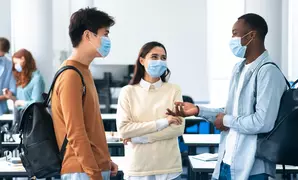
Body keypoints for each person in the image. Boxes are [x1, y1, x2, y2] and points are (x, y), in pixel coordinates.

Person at [167, 13, 287, 180]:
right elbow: (233, 112)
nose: (232, 38)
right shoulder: (239, 68)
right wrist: (198, 110)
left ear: (251, 35)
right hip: (227, 161)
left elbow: (262, 122)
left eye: (235, 33)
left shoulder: (268, 72)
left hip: (252, 168)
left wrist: (225, 120)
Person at [50, 7, 117, 180]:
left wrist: (106, 160)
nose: (108, 40)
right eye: (105, 34)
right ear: (88, 36)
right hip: (82, 170)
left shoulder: (83, 71)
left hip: (91, 167)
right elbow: (76, 133)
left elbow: (91, 125)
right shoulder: (71, 75)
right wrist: (94, 174)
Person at [117, 41, 185, 180]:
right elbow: (124, 130)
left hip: (169, 168)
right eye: (154, 57)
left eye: (163, 58)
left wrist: (140, 138)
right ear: (142, 60)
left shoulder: (174, 90)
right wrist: (163, 122)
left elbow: (178, 128)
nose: (159, 61)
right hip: (137, 168)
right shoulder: (128, 92)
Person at [3, 49, 45, 132]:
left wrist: (21, 103)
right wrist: (11, 97)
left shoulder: (37, 78)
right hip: (20, 118)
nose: (15, 66)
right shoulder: (22, 78)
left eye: (16, 63)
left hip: (31, 120)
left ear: (23, 59)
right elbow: (19, 101)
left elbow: (37, 102)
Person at [0, 37, 16, 116]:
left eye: (3, 52)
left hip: (3, 110)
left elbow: (12, 91)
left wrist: (6, 95)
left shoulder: (9, 64)